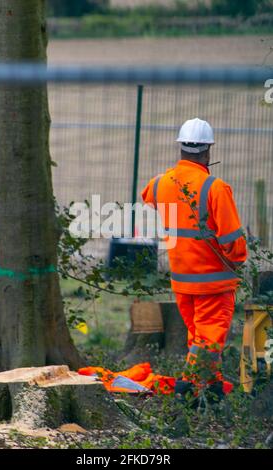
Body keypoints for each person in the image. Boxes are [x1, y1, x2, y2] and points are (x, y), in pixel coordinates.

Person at [141, 117, 247, 397]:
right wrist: (238, 260)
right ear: (208, 151)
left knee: (199, 339)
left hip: (182, 282)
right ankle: (187, 387)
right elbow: (233, 243)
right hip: (213, 284)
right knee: (209, 340)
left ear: (181, 149)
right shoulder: (215, 188)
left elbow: (146, 195)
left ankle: (210, 390)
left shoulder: (160, 183)